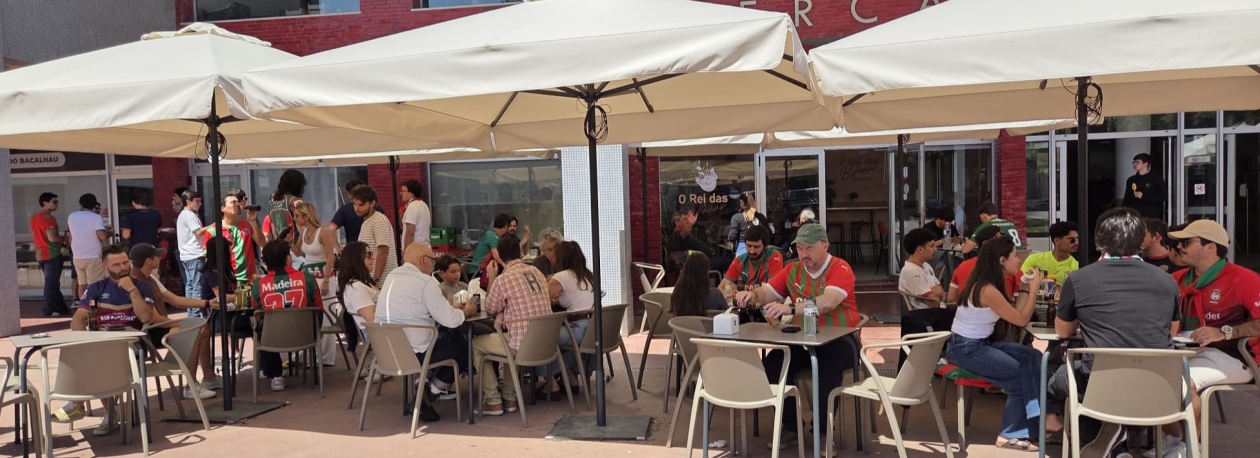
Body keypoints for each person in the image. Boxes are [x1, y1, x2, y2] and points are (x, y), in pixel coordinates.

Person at [1047, 208, 1179, 456]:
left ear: (1099, 240)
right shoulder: (1167, 280)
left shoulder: (1079, 279)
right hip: (1158, 385)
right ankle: (1118, 443)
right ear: (1140, 240)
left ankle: (1114, 445)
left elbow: (1063, 331)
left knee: (1058, 380)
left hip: (1101, 381)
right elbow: (1171, 331)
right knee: (1114, 391)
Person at [733, 223, 860, 441]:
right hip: (805, 340)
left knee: (828, 367)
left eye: (810, 248)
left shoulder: (840, 268)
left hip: (841, 341)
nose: (804, 254)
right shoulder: (793, 270)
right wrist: (752, 296)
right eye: (800, 248)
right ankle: (791, 425)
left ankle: (822, 432)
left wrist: (790, 308)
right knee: (774, 363)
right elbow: (768, 291)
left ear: (825, 246)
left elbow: (828, 302)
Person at [1154, 219, 1260, 457]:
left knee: (1180, 383)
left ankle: (1191, 448)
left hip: (1235, 355)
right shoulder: (1177, 278)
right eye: (1178, 242)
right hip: (1183, 351)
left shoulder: (1243, 278)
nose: (1179, 247)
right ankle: (1176, 439)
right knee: (1147, 378)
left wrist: (1225, 331)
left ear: (1210, 247)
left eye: (1186, 242)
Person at [947, 238, 1049, 452]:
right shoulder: (987, 290)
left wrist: (1023, 287)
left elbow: (1015, 313)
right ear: (1002, 260)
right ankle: (1010, 434)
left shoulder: (989, 283)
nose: (1019, 261)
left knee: (1032, 356)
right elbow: (1021, 320)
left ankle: (1037, 420)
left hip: (979, 344)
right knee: (1019, 377)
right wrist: (1033, 290)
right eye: (1015, 256)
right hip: (966, 349)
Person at [54, 245, 158, 434]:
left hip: (131, 345)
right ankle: (87, 406)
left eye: (125, 262)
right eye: (116, 264)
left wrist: (132, 290)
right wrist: (83, 343)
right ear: (105, 267)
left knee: (97, 360)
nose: (123, 267)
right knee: (76, 354)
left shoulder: (142, 286)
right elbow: (77, 320)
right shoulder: (96, 288)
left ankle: (93, 409)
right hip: (101, 343)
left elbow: (146, 317)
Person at [378, 243, 477, 421]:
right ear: (423, 260)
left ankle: (422, 389)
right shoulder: (425, 281)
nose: (433, 265)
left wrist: (449, 309)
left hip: (388, 351)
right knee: (461, 350)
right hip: (416, 353)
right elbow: (451, 320)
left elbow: (415, 310)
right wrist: (466, 311)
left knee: (444, 339)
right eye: (432, 260)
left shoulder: (391, 277)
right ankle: (428, 396)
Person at [474, 234, 551, 416]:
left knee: (476, 344)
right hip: (546, 343)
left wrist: (492, 277)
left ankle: (493, 401)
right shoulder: (537, 272)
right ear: (520, 252)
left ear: (499, 257)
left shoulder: (503, 279)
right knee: (510, 337)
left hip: (521, 345)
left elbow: (491, 308)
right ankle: (509, 398)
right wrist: (504, 311)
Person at [250, 240, 324, 392]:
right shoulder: (307, 278)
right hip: (306, 336)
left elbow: (257, 315)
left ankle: (275, 376)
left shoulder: (259, 285)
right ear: (288, 258)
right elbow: (319, 308)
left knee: (259, 325)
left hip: (271, 341)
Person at [545, 241, 596, 395]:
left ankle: (552, 383)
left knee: (539, 338)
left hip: (577, 330)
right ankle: (570, 377)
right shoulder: (587, 275)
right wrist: (557, 300)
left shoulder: (562, 276)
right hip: (592, 329)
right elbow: (573, 297)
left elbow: (540, 298)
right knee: (555, 342)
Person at [947, 226, 1020, 304]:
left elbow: (951, 301)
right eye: (1001, 242)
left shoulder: (962, 266)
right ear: (986, 244)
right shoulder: (1010, 267)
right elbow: (1020, 305)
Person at [899, 228, 954, 329]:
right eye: (932, 246)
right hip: (927, 317)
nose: (935, 249)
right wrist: (938, 295)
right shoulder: (912, 272)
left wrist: (939, 295)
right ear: (920, 250)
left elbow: (942, 294)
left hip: (938, 313)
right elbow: (933, 303)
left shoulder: (926, 266)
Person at [31, 192, 69, 316]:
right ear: (45, 203)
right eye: (54, 202)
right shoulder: (48, 218)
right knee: (51, 283)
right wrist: (64, 239)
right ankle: (48, 308)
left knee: (53, 282)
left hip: (40, 254)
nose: (57, 204)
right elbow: (52, 238)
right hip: (52, 253)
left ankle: (61, 306)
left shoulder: (34, 218)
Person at [352, 185, 397, 286]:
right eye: (354, 204)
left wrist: (376, 279)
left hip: (381, 283)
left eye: (361, 205)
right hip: (372, 281)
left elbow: (383, 251)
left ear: (372, 203)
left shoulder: (379, 221)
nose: (356, 208)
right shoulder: (368, 222)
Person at [291, 202, 339, 296]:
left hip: (323, 275)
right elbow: (298, 252)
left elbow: (330, 258)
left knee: (326, 303)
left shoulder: (324, 231)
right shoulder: (304, 231)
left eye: (296, 216)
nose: (294, 218)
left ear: (306, 216)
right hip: (308, 276)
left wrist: (326, 280)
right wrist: (289, 241)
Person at [719, 225, 783, 294]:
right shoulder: (739, 260)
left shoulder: (774, 256)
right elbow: (721, 288)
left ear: (766, 246)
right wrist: (732, 294)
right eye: (749, 246)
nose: (752, 251)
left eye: (756, 247)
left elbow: (772, 290)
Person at [67, 193, 110, 297]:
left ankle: (83, 303)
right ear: (94, 205)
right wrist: (111, 232)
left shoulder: (72, 216)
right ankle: (92, 303)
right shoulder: (95, 217)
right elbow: (102, 235)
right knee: (93, 283)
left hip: (77, 255)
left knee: (82, 283)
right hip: (93, 255)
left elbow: (71, 235)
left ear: (81, 205)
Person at [176, 189, 208, 317]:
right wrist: (214, 225)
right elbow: (198, 232)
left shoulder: (183, 214)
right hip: (195, 254)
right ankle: (196, 313)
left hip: (186, 254)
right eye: (197, 201)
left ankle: (191, 312)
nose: (200, 204)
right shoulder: (189, 215)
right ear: (188, 202)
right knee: (197, 285)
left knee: (190, 284)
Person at [1020, 220, 1080, 287]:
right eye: (1072, 240)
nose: (1076, 243)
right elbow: (1020, 281)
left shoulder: (1076, 267)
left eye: (1077, 239)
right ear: (1057, 241)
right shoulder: (1034, 260)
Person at [669, 252, 727, 317]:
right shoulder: (716, 295)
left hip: (683, 324)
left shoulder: (677, 294)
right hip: (710, 324)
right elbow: (728, 315)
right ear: (706, 272)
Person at [337, 241, 378, 331]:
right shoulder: (356, 288)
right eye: (369, 255)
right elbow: (372, 319)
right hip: (378, 334)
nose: (373, 258)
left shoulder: (360, 284)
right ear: (356, 259)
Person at [229, 189, 268, 277]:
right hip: (249, 263)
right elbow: (261, 241)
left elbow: (261, 241)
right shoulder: (248, 215)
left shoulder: (248, 216)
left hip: (236, 265)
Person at [266, 169, 307, 241]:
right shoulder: (295, 201)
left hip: (278, 244)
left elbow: (273, 227)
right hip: (293, 244)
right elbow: (302, 229)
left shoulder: (273, 201)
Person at [1121, 153, 1166, 220]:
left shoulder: (1156, 178)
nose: (1134, 164)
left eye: (1137, 162)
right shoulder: (1131, 180)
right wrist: (1123, 213)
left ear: (1145, 164)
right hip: (1135, 217)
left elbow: (1163, 197)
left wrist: (1143, 196)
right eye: (1133, 162)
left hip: (1152, 217)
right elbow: (1127, 199)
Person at [727, 193, 771, 257]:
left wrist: (731, 241)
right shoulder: (760, 217)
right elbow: (768, 233)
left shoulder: (737, 217)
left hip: (743, 248)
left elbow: (733, 234)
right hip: (759, 248)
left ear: (741, 203)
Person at [469, 213, 511, 277]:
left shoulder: (493, 234)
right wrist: (508, 266)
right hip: (477, 271)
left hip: (484, 269)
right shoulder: (492, 235)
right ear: (506, 226)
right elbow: (496, 257)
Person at [400, 179, 432, 248]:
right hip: (425, 247)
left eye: (403, 191)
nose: (401, 193)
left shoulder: (412, 207)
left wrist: (406, 250)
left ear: (411, 193)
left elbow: (410, 232)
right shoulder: (423, 205)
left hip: (415, 250)